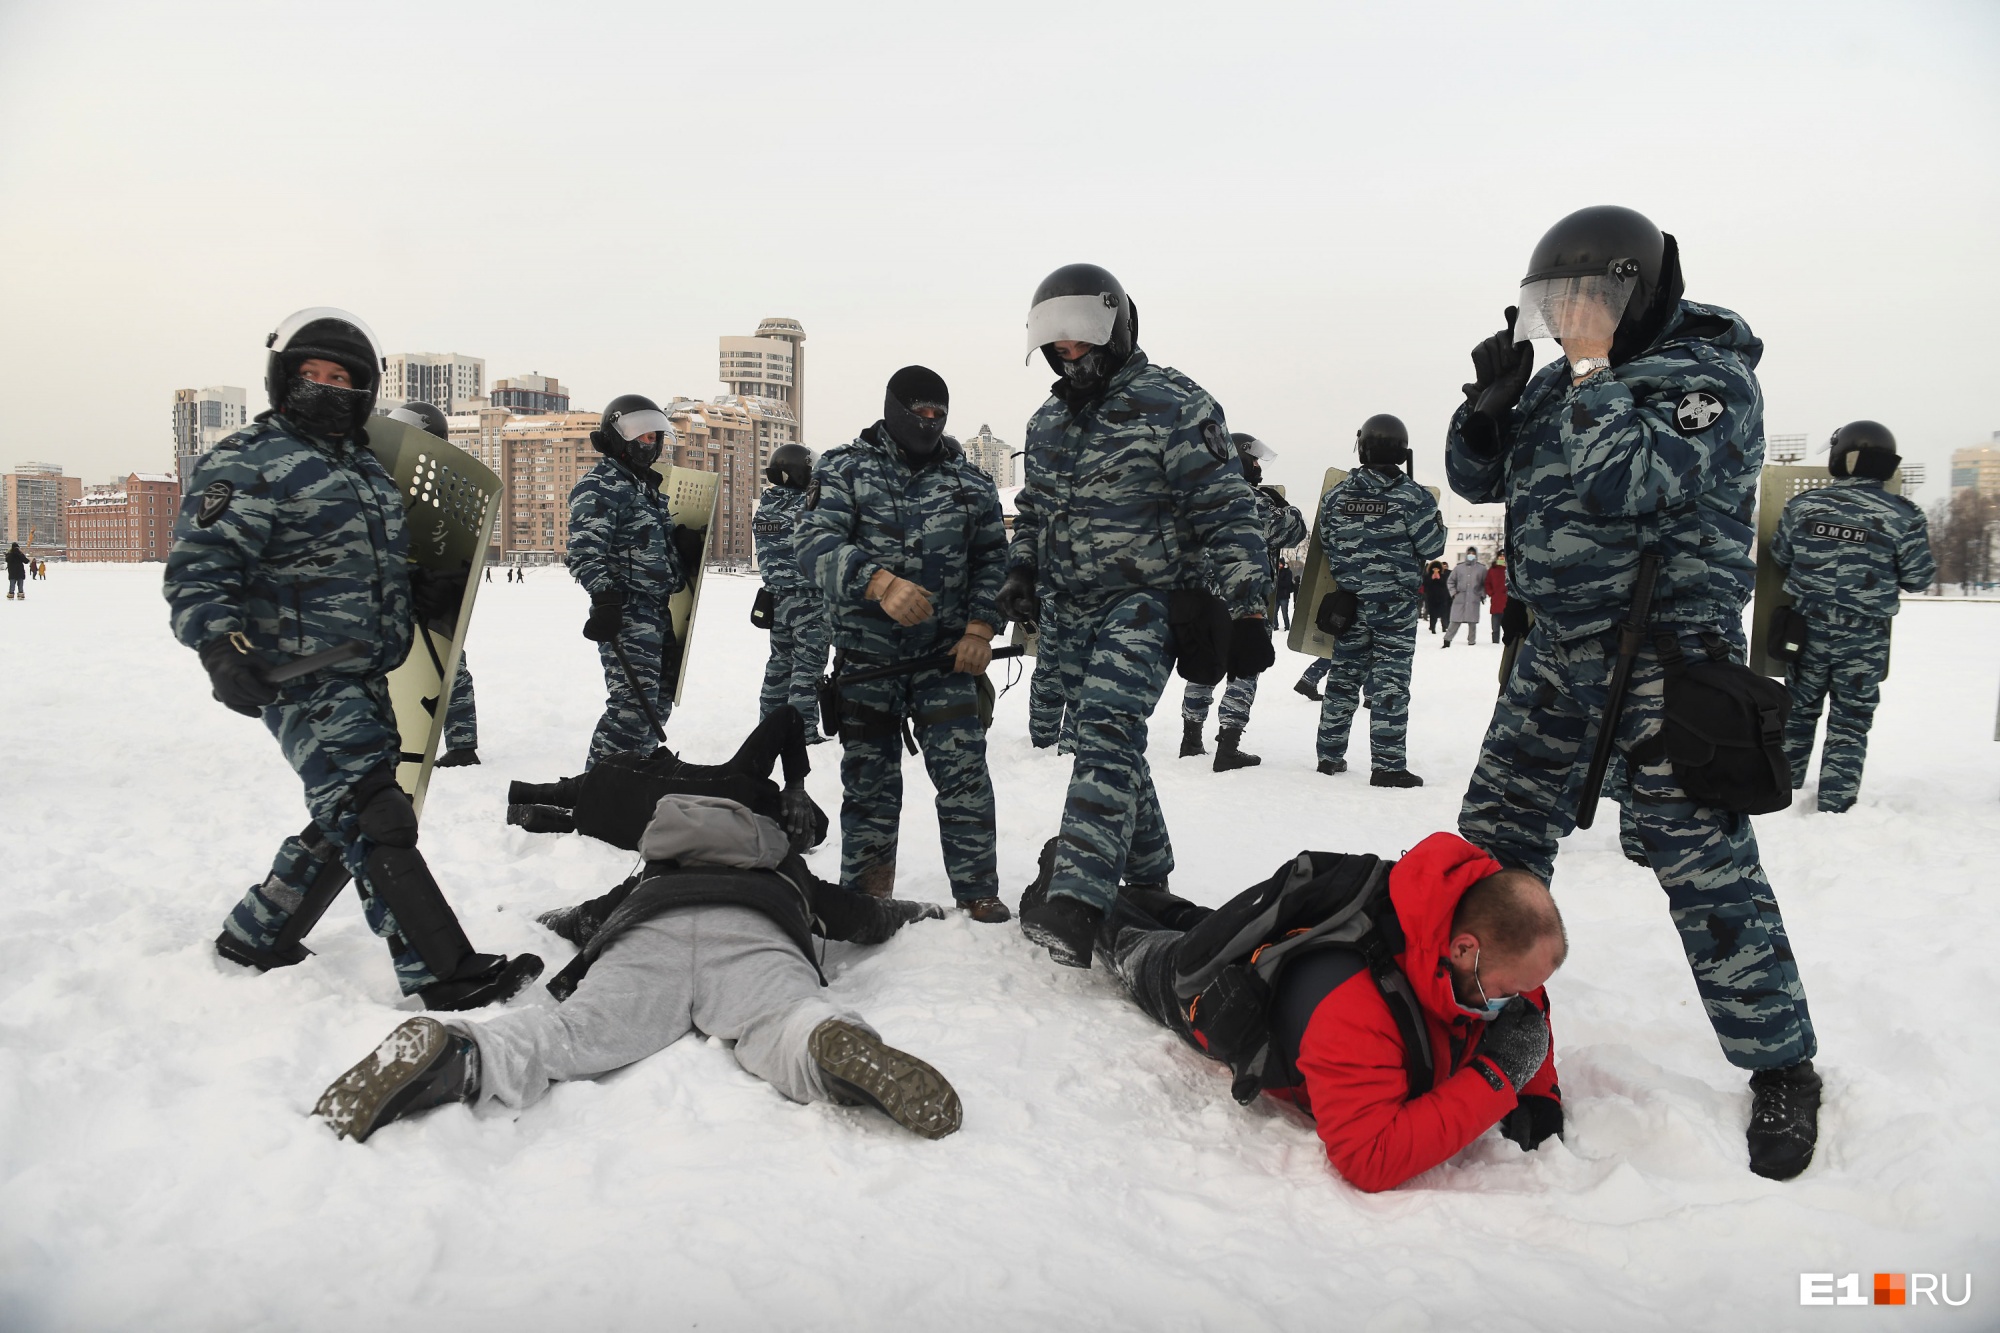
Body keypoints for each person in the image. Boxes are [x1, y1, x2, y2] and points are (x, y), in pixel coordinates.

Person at [1446, 205, 1820, 1180]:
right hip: (1549, 663)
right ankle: (1490, 1040)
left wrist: (1586, 373)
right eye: (1556, 304)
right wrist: (1485, 409)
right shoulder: (1568, 379)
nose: (1571, 317)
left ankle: (1780, 1062)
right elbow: (1476, 481)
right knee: (1488, 856)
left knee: (1701, 865)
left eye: (1589, 299)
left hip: (1661, 669)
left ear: (1640, 290)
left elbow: (1622, 484)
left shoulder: (1705, 383)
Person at [163, 307, 538, 1008]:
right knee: (375, 811)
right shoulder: (249, 461)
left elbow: (368, 564)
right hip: (298, 674)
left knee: (349, 809)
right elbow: (200, 569)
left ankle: (258, 929)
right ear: (284, 377)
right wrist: (220, 646)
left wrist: (422, 588)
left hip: (364, 669)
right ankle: (443, 972)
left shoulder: (363, 465)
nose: (329, 387)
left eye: (343, 377)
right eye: (314, 374)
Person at [312, 792, 960, 1144]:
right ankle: (827, 1046)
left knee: (571, 1033)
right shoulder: (783, 869)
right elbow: (865, 916)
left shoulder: (653, 874)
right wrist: (926, 911)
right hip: (756, 932)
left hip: (650, 932)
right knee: (781, 1017)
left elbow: (586, 916)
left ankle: (461, 1052)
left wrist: (549, 916)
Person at [1002, 263, 1271, 967]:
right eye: (1057, 344)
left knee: (1105, 726)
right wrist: (1022, 568)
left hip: (1148, 603)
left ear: (1117, 328)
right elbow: (1034, 510)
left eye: (1082, 339)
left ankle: (1077, 901)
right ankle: (1150, 867)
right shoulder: (1049, 422)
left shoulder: (1172, 404)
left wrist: (1249, 610)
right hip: (1071, 609)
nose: (1070, 354)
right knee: (1107, 737)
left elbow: (1226, 506)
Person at [1097, 831, 1564, 1193]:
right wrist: (1497, 1077)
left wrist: (1540, 1093)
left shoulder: (1474, 943)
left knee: (1193, 923)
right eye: (1509, 990)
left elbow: (1528, 1007)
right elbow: (1369, 1156)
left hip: (1287, 961)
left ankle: (1153, 904)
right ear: (1464, 949)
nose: (1517, 1002)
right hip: (1220, 1001)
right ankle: (1077, 888)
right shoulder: (1355, 1007)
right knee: (1139, 945)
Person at [795, 366, 1013, 923]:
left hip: (946, 659)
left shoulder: (969, 483)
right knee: (870, 784)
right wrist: (878, 582)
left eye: (939, 415)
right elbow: (813, 542)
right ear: (895, 409)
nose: (930, 423)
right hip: (868, 663)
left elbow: (993, 560)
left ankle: (977, 892)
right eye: (920, 413)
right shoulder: (845, 468)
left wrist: (979, 630)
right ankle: (867, 898)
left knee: (964, 777)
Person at [1772, 421, 1935, 813]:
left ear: (1842, 458)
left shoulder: (1804, 506)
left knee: (1797, 711)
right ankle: (1835, 803)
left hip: (1806, 631)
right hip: (1865, 638)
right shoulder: (1904, 515)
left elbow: (1780, 557)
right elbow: (1918, 579)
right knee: (1851, 720)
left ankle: (1781, 792)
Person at [507, 703, 827, 857]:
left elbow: (790, 716)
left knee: (589, 785)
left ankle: (533, 793)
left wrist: (796, 786)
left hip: (624, 775)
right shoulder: (736, 844)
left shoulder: (745, 777)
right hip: (616, 825)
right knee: (588, 816)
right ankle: (553, 818)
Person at [1314, 414, 1445, 787]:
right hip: (1396, 608)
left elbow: (1325, 543)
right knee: (1390, 683)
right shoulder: (1413, 497)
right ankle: (1387, 766)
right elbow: (1433, 546)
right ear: (1403, 452)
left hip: (1349, 606)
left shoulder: (1336, 496)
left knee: (1342, 680)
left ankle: (1329, 757)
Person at [568, 393, 689, 769]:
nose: (647, 445)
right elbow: (585, 551)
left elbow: (650, 550)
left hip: (656, 611)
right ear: (618, 437)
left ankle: (635, 775)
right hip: (626, 611)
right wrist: (605, 600)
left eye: (654, 437)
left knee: (658, 700)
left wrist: (680, 546)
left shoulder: (645, 488)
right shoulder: (601, 486)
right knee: (633, 705)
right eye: (641, 436)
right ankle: (597, 786)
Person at [1179, 433, 1307, 771]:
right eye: (1253, 460)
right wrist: (1285, 506)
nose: (1257, 466)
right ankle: (1228, 747)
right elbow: (1295, 531)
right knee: (1243, 669)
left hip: (1203, 601)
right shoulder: (1254, 501)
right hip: (1242, 600)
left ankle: (1190, 739)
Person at [387, 399, 483, 768]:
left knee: (449, 665)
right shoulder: (381, 476)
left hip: (434, 590)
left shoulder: (449, 486)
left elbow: (460, 541)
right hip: (389, 590)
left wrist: (448, 581)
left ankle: (462, 744)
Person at [753, 443, 829, 733]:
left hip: (778, 600)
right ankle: (802, 733)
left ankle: (768, 730)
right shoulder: (809, 507)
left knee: (779, 666)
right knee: (807, 669)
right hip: (810, 604)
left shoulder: (767, 507)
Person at [1443, 547, 1488, 646]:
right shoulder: (1459, 568)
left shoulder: (1481, 569)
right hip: (1460, 597)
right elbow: (1450, 581)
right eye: (1469, 553)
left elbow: (1485, 583)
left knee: (1472, 622)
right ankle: (1447, 640)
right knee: (1455, 620)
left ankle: (1471, 641)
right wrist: (1453, 592)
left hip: (1473, 598)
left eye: (1473, 553)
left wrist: (1482, 594)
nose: (1471, 554)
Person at [1485, 552, 1510, 643]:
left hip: (1508, 602)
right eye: (1500, 556)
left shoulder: (1510, 569)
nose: (1502, 558)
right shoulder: (1492, 570)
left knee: (1508, 625)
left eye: (1504, 556)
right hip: (1496, 601)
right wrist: (1492, 593)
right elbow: (1487, 583)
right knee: (1495, 626)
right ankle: (1495, 642)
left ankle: (1507, 642)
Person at [1273, 559, 1296, 630]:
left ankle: (1287, 626)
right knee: (1274, 612)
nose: (1279, 565)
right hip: (1276, 595)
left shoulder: (1288, 572)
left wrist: (1277, 581)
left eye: (1280, 564)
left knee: (1284, 613)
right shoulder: (1276, 572)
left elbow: (1287, 583)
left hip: (1284, 596)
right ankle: (1275, 626)